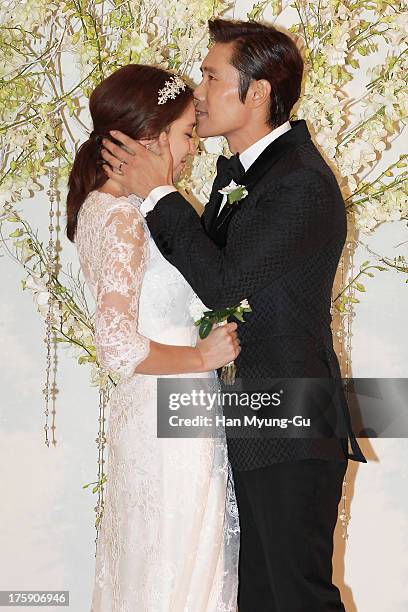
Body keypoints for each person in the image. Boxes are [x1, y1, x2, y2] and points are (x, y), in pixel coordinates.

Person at [100, 18, 368, 612]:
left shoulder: (301, 182)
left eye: (211, 76)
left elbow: (224, 286)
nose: (198, 92)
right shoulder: (240, 177)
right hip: (248, 420)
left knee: (296, 598)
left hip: (294, 420)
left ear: (258, 92)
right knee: (259, 600)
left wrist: (158, 195)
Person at [66, 64, 240, 611]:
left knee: (166, 564)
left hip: (161, 410)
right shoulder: (120, 217)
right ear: (152, 137)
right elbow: (116, 344)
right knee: (179, 568)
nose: (191, 148)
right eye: (187, 133)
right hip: (171, 415)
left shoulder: (110, 207)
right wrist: (202, 354)